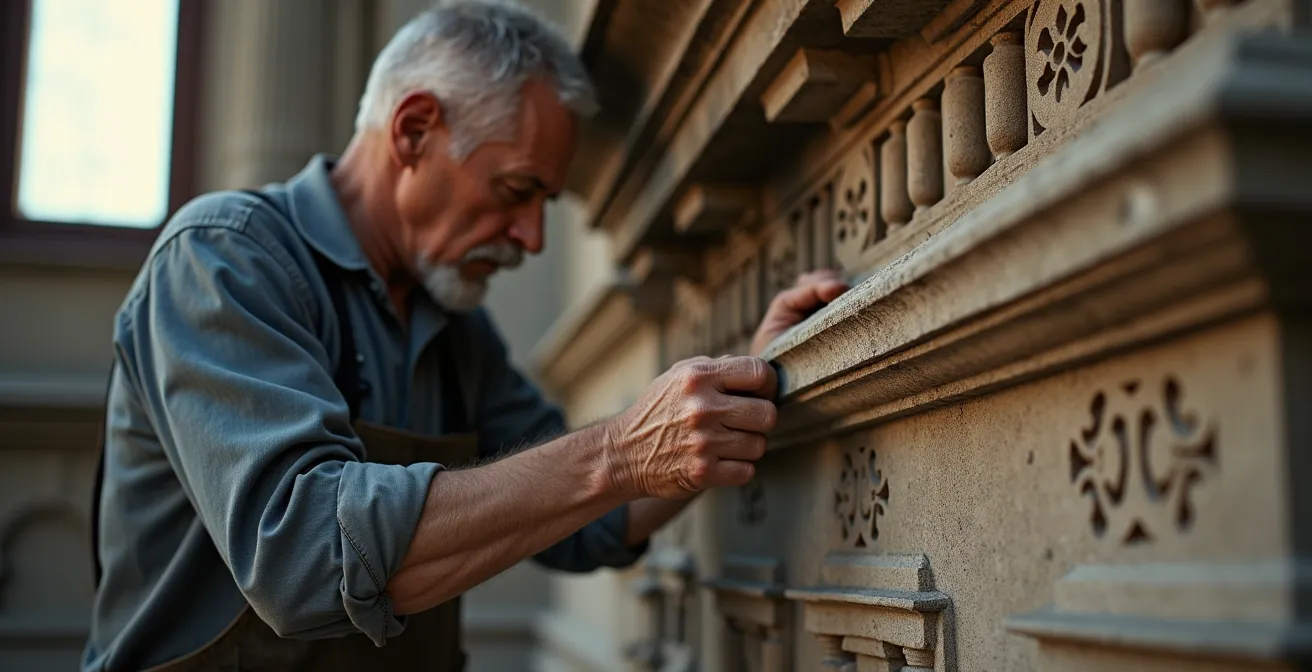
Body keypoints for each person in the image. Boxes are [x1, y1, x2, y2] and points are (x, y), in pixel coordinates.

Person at [83, 2, 849, 670]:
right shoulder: (222, 258)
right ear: (415, 129)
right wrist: (618, 450)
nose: (532, 237)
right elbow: (306, 557)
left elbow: (597, 518)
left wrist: (747, 380)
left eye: (546, 202)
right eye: (518, 191)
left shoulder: (454, 325)